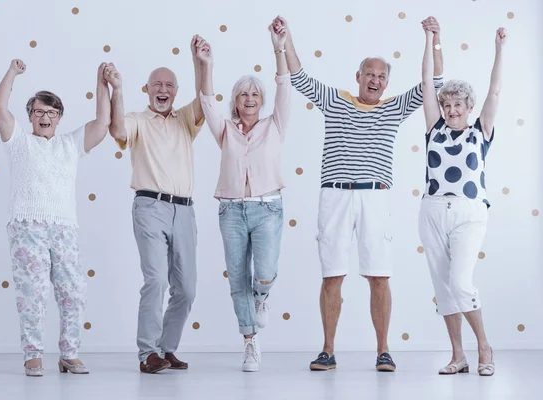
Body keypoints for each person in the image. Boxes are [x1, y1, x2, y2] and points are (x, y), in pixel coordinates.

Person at [274, 15, 444, 371]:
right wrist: (285, 37)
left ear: (386, 83)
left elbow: (435, 83)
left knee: (379, 275)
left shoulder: (394, 107)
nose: (376, 80)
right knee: (332, 274)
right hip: (335, 195)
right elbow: (300, 78)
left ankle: (383, 350)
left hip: (375, 196)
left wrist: (434, 39)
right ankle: (328, 350)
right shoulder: (336, 101)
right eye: (370, 74)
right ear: (358, 76)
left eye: (382, 77)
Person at [0, 59, 111, 376]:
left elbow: (102, 122)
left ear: (59, 118)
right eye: (40, 111)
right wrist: (12, 73)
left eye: (52, 112)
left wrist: (102, 82)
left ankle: (68, 353)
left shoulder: (71, 144)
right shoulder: (18, 141)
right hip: (26, 226)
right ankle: (33, 354)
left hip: (64, 227)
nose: (46, 117)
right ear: (30, 116)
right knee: (33, 292)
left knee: (74, 291)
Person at [106, 37, 206, 374]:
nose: (162, 89)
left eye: (169, 86)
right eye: (156, 85)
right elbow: (117, 129)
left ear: (175, 92)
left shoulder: (184, 120)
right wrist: (116, 90)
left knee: (187, 288)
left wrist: (200, 62)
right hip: (150, 206)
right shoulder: (137, 119)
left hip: (185, 210)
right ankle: (147, 352)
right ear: (147, 89)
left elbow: (205, 100)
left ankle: (167, 348)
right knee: (157, 280)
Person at [197, 21, 290, 372]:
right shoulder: (225, 131)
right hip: (231, 211)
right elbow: (206, 100)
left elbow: (284, 84)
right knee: (237, 278)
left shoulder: (275, 125)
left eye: (255, 95)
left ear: (262, 101)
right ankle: (250, 342)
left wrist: (278, 46)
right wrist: (206, 64)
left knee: (263, 274)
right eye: (242, 95)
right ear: (235, 101)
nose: (249, 100)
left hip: (268, 208)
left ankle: (261, 298)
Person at [418, 24, 506, 377]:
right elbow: (427, 82)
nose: (452, 109)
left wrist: (499, 49)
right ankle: (458, 355)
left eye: (458, 104)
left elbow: (495, 91)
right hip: (433, 210)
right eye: (447, 104)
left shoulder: (480, 132)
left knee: (460, 282)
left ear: (470, 106)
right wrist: (429, 38)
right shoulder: (434, 128)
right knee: (443, 287)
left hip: (470, 213)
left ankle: (484, 345)